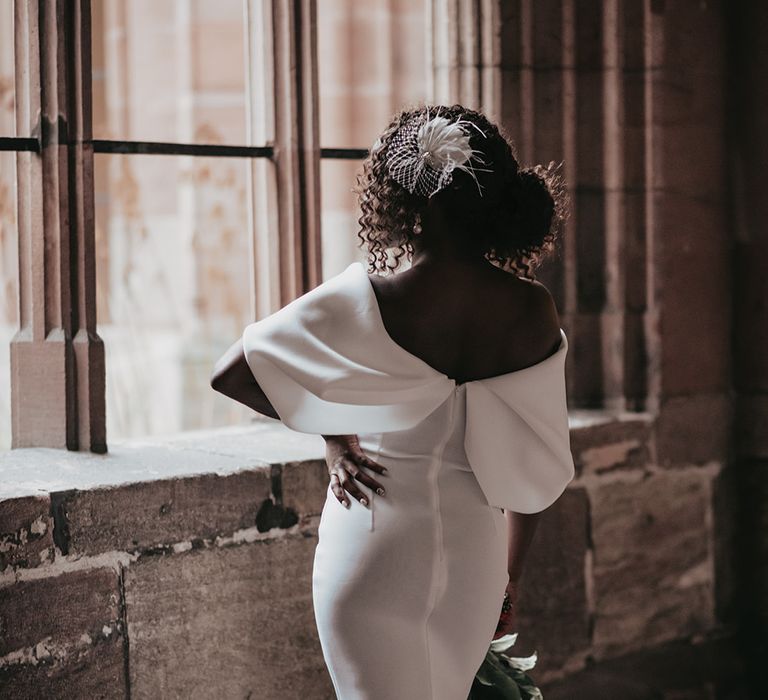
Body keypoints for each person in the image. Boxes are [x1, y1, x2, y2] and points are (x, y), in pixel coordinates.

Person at [210, 104, 575, 700]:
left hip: (373, 551)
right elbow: (536, 465)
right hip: (473, 563)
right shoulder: (531, 310)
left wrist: (332, 430)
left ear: (409, 203)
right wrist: (509, 579)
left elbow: (232, 373)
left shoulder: (364, 301)